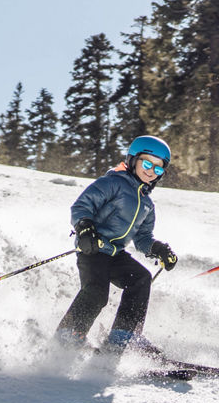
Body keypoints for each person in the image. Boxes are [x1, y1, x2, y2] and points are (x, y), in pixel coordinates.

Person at [55, 135, 179, 354]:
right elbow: (82, 206)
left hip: (115, 254)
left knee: (141, 279)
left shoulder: (147, 204)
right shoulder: (113, 182)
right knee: (96, 293)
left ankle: (123, 337)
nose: (151, 171)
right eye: (147, 163)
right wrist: (84, 228)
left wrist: (157, 248)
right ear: (133, 160)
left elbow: (142, 238)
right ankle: (69, 335)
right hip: (93, 249)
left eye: (158, 169)